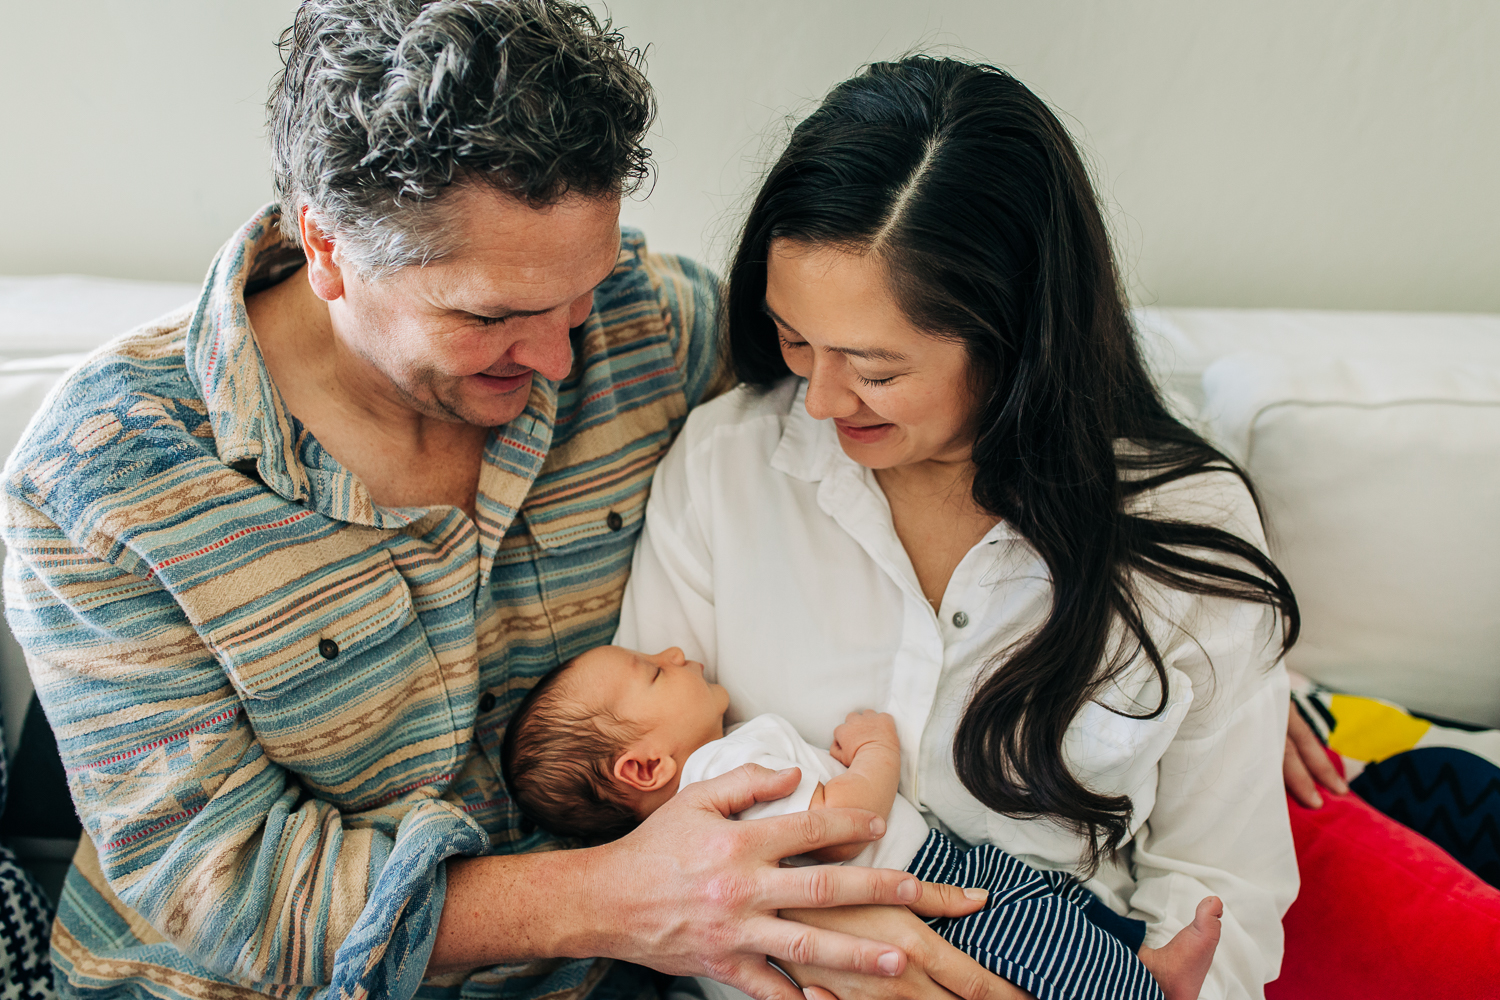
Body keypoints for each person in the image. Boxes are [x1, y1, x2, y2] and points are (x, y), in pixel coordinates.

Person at [0, 6, 1013, 1000]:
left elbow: (909, 401)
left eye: (582, 293)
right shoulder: (105, 473)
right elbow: (217, 887)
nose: (561, 356)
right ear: (325, 247)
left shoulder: (651, 327)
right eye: (494, 316)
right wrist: (619, 896)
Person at [614, 57, 1302, 1000]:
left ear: (1017, 340)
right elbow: (650, 819)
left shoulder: (1183, 526)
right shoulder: (724, 464)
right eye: (793, 337)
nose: (815, 398)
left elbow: (1226, 887)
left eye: (874, 368)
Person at [501, 643, 1228, 1000]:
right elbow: (845, 824)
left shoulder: (687, 822)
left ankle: (1142, 971)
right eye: (653, 673)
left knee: (1053, 920)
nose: (672, 652)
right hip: (917, 885)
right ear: (644, 769)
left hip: (911, 893)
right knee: (1040, 940)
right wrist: (876, 753)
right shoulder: (731, 764)